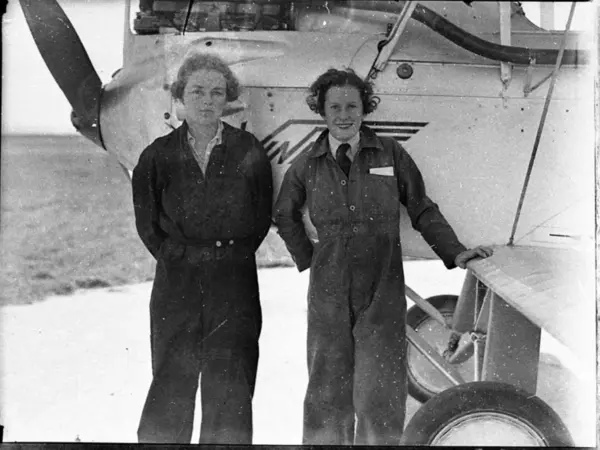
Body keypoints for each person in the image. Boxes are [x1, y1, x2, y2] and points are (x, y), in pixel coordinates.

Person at [274, 68, 493, 445]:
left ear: (365, 109)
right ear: (322, 111)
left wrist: (455, 252)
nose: (344, 115)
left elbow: (421, 208)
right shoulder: (307, 163)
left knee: (380, 390)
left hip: (382, 282)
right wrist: (309, 259)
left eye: (352, 106)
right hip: (329, 287)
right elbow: (283, 213)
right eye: (335, 107)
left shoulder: (390, 152)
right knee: (327, 388)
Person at [132, 53, 273, 444]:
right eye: (197, 91)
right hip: (177, 280)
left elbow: (260, 217)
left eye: (216, 92)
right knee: (171, 379)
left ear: (228, 98)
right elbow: (148, 225)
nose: (207, 100)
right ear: (180, 95)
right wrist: (180, 257)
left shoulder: (249, 150)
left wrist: (228, 256)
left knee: (231, 383)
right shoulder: (157, 155)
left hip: (233, 280)